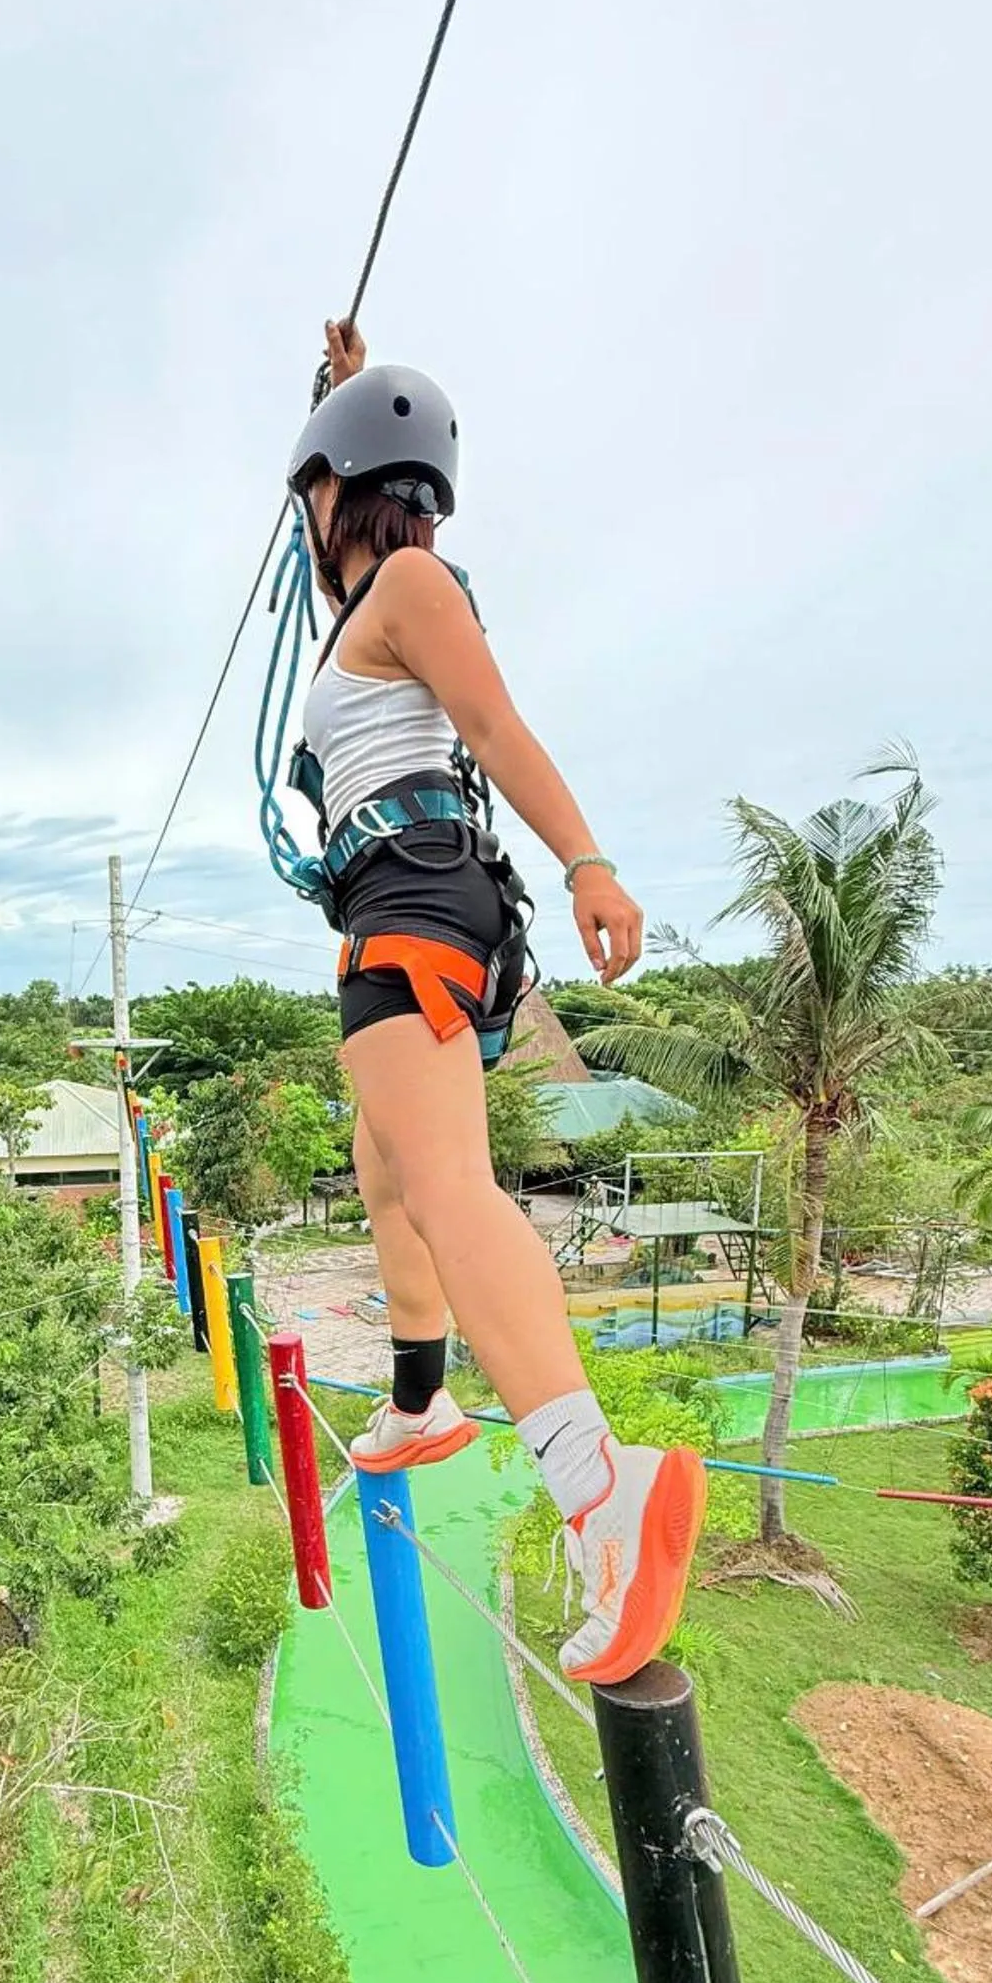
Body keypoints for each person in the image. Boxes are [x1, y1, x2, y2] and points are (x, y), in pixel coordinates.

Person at [281, 320, 704, 1685]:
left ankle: (600, 1489)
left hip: (414, 903)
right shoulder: (353, 604)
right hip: (394, 906)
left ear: (340, 485)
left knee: (452, 1189)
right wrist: (331, 390)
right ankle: (421, 1402)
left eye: (317, 485)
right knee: (389, 1167)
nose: (308, 515)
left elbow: (499, 726)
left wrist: (590, 860)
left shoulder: (410, 581)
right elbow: (308, 554)